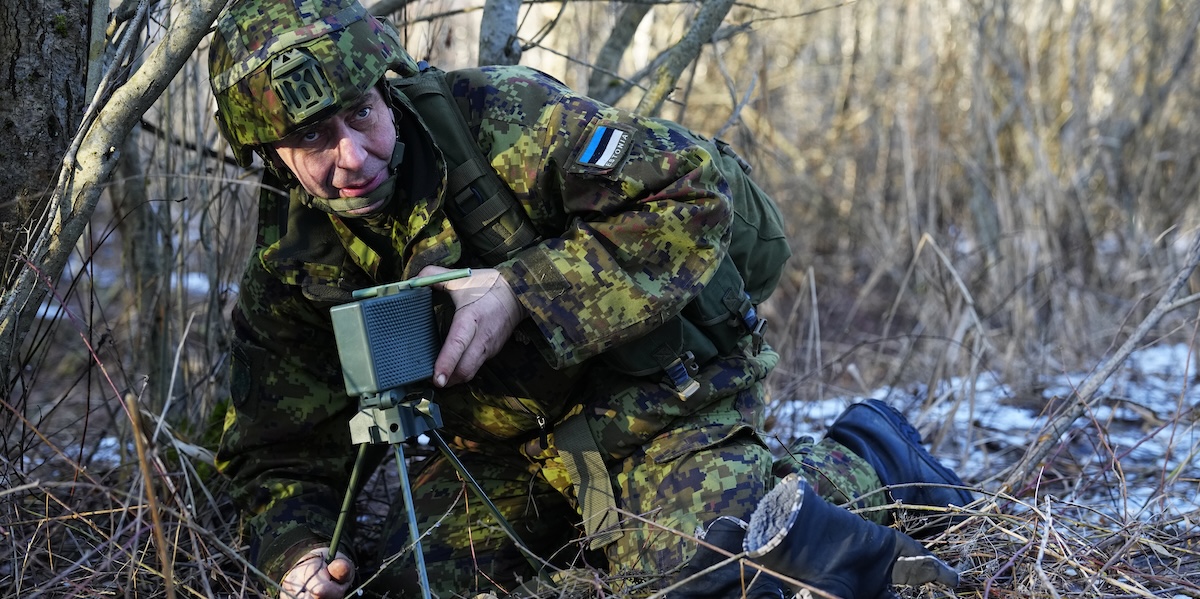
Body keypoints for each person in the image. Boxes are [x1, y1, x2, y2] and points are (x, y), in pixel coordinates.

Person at [207, 0, 974, 597]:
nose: (353, 155)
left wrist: (522, 291)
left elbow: (691, 193)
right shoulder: (293, 260)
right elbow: (279, 445)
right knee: (414, 584)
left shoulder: (500, 120)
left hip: (650, 399)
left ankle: (869, 455)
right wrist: (299, 551)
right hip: (507, 453)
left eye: (361, 115)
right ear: (271, 154)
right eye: (314, 139)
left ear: (385, 86)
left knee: (710, 567)